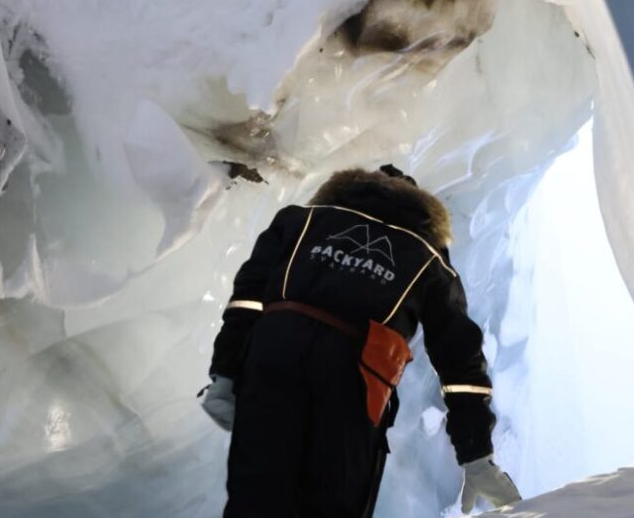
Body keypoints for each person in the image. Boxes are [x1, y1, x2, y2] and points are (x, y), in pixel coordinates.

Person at [202, 166, 521, 517]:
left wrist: (226, 371)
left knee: (255, 501)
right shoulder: (425, 255)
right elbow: (458, 356)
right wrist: (475, 453)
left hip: (273, 358)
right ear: (421, 211)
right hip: (354, 380)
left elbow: (247, 297)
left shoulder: (300, 220)